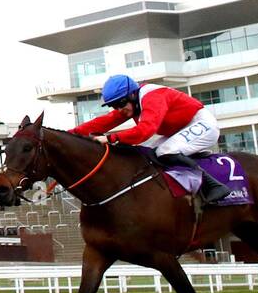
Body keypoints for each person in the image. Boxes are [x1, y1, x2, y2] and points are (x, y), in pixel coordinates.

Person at [70, 74, 231, 203]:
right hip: (179, 130)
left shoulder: (152, 96)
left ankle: (213, 186)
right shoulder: (131, 103)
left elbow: (144, 131)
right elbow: (102, 122)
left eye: (120, 103)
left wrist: (110, 138)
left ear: (132, 94)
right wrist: (69, 134)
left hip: (202, 123)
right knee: (149, 154)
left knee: (164, 152)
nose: (119, 109)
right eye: (114, 106)